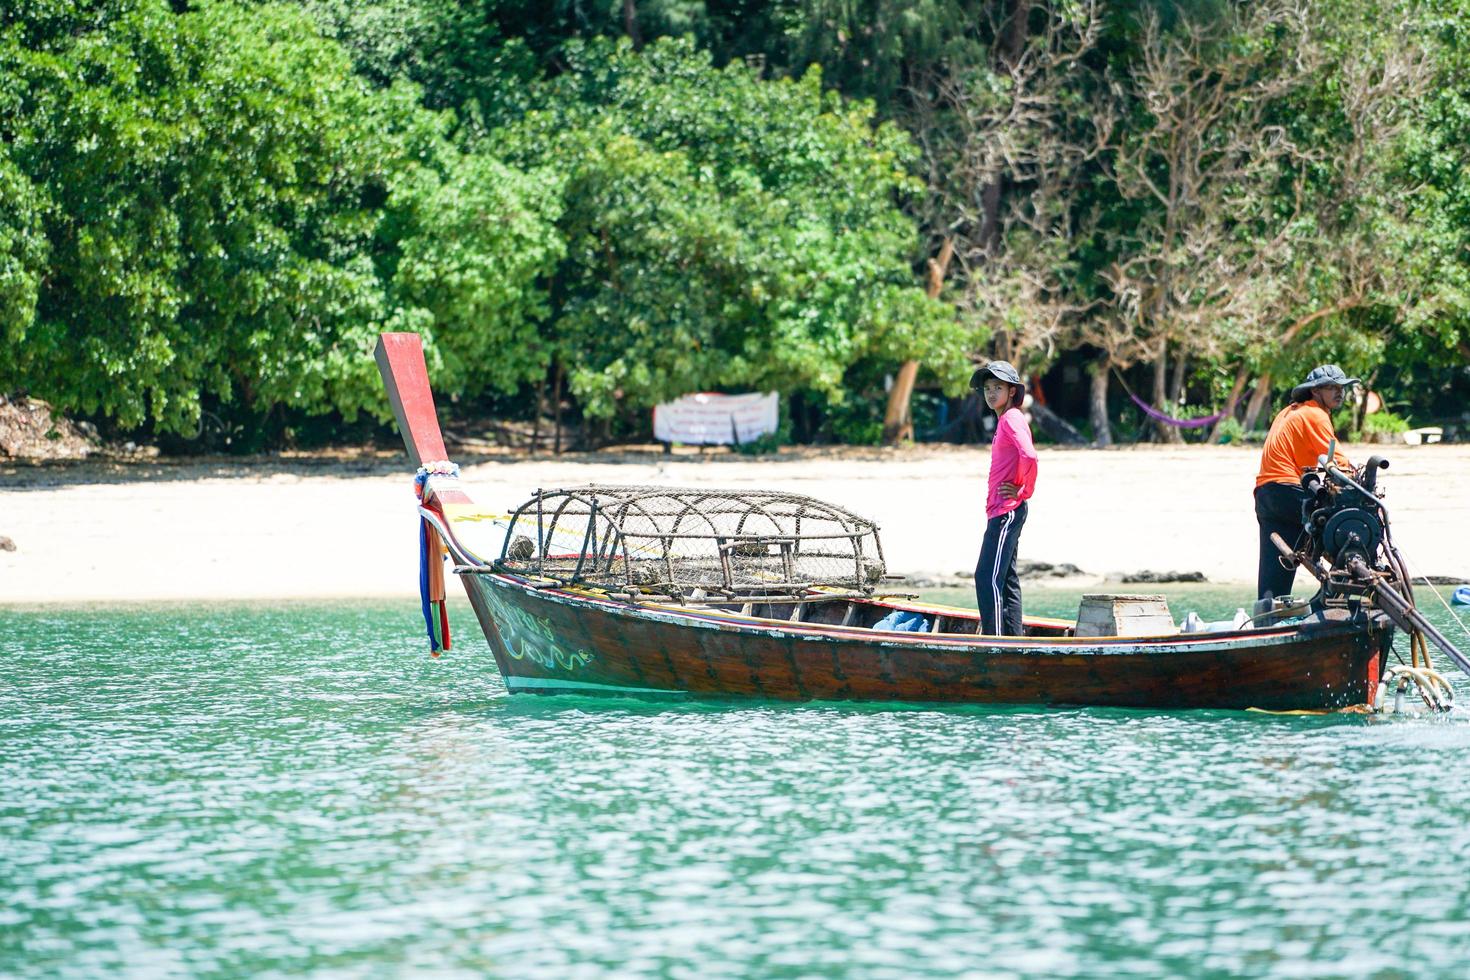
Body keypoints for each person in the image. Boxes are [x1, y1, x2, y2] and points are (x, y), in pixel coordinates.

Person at [1254, 364, 1358, 602]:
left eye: (1342, 387)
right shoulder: (1315, 414)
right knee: (1345, 534)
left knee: (1275, 569)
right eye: (1331, 387)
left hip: (1266, 494)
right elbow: (1341, 466)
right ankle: (1333, 599)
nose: (1339, 392)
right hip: (1288, 490)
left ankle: (1269, 616)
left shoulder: (1289, 412)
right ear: (1315, 391)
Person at [972, 360, 1038, 636]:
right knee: (1007, 579)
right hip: (1003, 510)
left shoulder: (1011, 418)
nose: (991, 393)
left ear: (1012, 391)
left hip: (1006, 510)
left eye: (998, 387)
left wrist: (1024, 491)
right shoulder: (1006, 420)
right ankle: (1014, 640)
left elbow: (1030, 456)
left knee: (986, 578)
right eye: (987, 388)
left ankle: (996, 643)